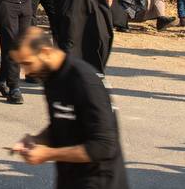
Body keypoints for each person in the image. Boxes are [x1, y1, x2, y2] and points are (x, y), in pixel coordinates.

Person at [9, 27, 129, 189]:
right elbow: (63, 123)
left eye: (27, 63)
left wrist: (48, 154)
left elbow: (104, 146)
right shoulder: (51, 77)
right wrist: (36, 139)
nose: (26, 72)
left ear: (45, 52)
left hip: (99, 181)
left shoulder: (84, 80)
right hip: (70, 179)